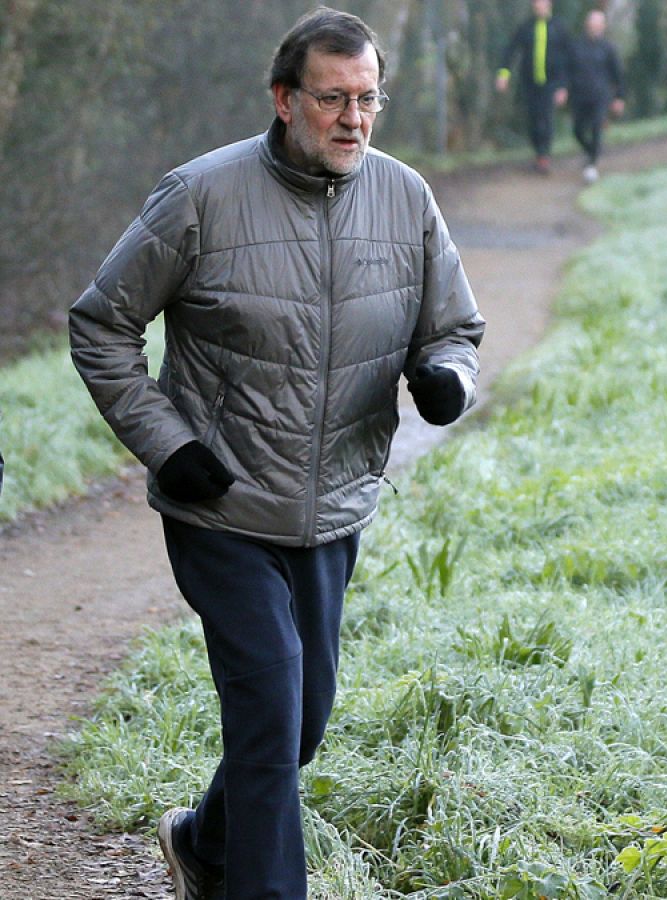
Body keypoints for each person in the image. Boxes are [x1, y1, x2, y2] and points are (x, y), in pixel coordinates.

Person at [67, 8, 484, 900]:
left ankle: (205, 843)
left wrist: (446, 375)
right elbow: (100, 326)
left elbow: (454, 327)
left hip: (332, 507)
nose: (353, 119)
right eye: (332, 99)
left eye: (368, 99)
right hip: (221, 503)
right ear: (284, 99)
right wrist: (168, 445)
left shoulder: (405, 196)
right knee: (269, 710)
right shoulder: (200, 196)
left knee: (301, 722)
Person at [495, 0, 572, 176]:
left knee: (546, 118)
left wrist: (563, 86)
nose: (538, 5)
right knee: (533, 119)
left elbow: (568, 59)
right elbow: (511, 50)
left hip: (551, 84)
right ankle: (539, 153)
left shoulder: (559, 28)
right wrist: (504, 74)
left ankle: (544, 156)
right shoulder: (526, 28)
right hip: (529, 83)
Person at [569, 9, 626, 184]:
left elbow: (618, 74)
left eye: (598, 23)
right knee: (577, 130)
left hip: (601, 96)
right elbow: (568, 70)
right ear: (587, 24)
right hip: (580, 96)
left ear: (603, 26)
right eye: (592, 22)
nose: (594, 26)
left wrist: (619, 97)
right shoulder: (576, 46)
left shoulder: (608, 48)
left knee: (596, 127)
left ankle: (592, 165)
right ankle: (591, 152)